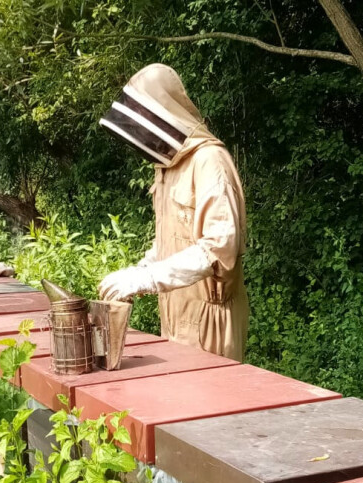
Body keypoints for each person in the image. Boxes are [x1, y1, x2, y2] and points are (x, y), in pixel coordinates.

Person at [97, 63, 249, 361]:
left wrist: (148, 278)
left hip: (210, 315)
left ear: (163, 114)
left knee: (209, 391)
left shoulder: (210, 160)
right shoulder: (167, 167)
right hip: (174, 308)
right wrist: (140, 271)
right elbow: (171, 237)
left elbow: (220, 247)